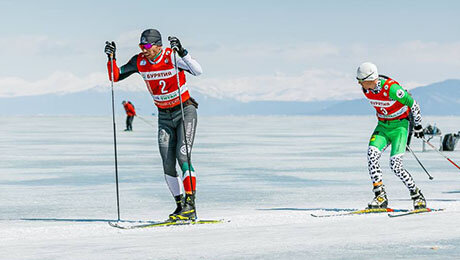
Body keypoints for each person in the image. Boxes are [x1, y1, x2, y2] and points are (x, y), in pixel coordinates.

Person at [104, 29, 202, 220]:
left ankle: (191, 205)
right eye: (141, 46)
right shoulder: (139, 61)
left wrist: (183, 51)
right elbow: (115, 76)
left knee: (183, 156)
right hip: (164, 115)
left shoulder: (171, 57)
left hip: (184, 111)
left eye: (147, 46)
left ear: (158, 45)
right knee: (167, 162)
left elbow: (198, 71)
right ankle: (180, 205)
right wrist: (111, 58)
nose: (144, 50)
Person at [356, 62, 426, 210]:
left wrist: (418, 126)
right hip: (383, 126)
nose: (359, 84)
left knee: (395, 165)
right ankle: (380, 196)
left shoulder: (392, 89)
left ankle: (417, 195)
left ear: (371, 79)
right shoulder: (366, 89)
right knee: (372, 155)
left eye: (361, 81)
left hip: (399, 128)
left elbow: (413, 104)